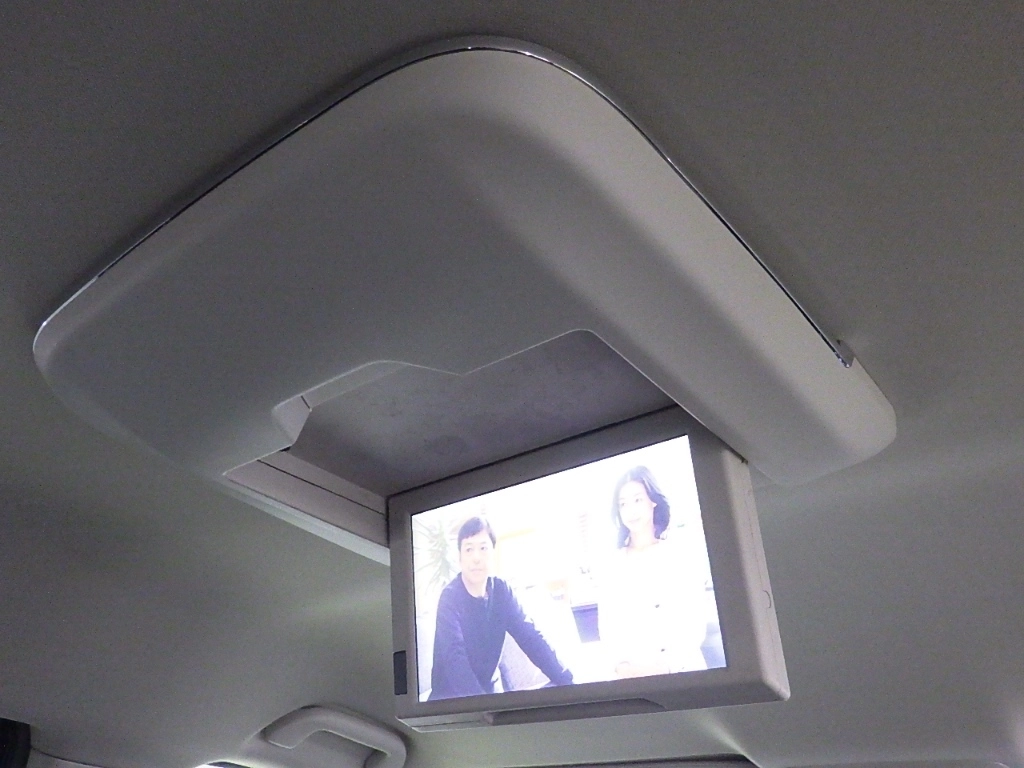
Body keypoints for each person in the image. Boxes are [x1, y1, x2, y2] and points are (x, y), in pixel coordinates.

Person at [429, 516, 574, 700]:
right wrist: (481, 707)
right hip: (449, 700)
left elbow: (530, 637)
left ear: (493, 553)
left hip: (490, 695)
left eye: (483, 548)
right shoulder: (449, 598)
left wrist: (567, 680)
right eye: (469, 549)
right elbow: (455, 662)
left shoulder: (501, 591)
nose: (476, 558)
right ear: (459, 558)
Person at [598, 466, 713, 678]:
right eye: (623, 504)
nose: (630, 510)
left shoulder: (680, 554)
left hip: (683, 673)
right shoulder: (612, 565)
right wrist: (623, 669)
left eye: (637, 500)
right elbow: (608, 628)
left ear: (653, 501)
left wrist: (666, 668)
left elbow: (694, 623)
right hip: (632, 679)